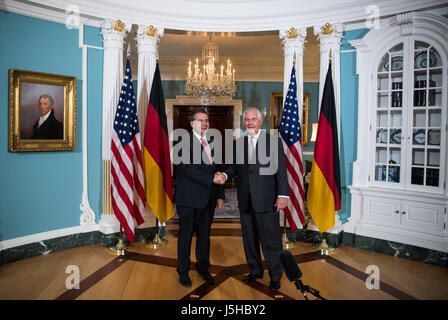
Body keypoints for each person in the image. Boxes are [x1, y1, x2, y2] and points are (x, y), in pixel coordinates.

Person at [214, 107, 288, 291]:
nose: (249, 122)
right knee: (249, 239)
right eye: (246, 119)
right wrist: (224, 174)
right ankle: (255, 271)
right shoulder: (239, 143)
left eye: (253, 119)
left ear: (260, 121)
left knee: (271, 241)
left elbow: (281, 171)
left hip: (267, 199)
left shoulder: (273, 142)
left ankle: (275, 276)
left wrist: (282, 195)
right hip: (245, 200)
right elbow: (234, 168)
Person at [174, 108, 225, 287]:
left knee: (205, 236)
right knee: (186, 236)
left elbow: (217, 169)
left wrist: (220, 195)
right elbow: (186, 168)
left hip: (208, 199)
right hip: (188, 199)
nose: (204, 123)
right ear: (191, 123)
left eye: (206, 120)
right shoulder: (182, 141)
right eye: (200, 120)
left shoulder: (212, 142)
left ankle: (203, 268)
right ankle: (183, 270)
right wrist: (211, 178)